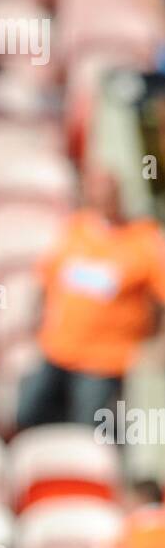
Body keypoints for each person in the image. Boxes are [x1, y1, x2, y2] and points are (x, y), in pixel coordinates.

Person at [18, 168, 165, 430]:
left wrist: (158, 344)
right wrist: (34, 318)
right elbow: (46, 275)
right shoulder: (75, 228)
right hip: (58, 348)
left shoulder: (143, 238)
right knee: (27, 414)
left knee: (85, 428)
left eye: (109, 194)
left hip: (104, 360)